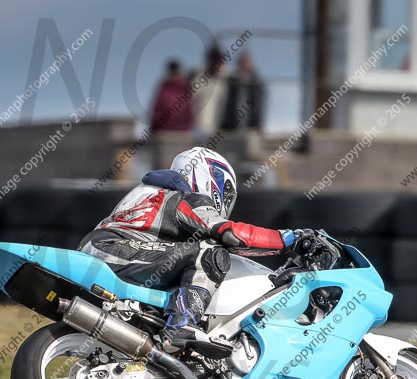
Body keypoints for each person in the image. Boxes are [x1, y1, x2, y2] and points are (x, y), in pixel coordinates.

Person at [78, 147, 312, 351]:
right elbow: (231, 234)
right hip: (112, 249)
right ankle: (182, 323)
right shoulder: (181, 196)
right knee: (210, 251)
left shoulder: (155, 192)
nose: (225, 199)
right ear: (210, 175)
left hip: (108, 249)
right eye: (225, 190)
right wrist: (291, 239)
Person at [221, 53, 265, 131]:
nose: (243, 65)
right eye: (241, 63)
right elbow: (224, 103)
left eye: (246, 62)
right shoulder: (230, 82)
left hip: (251, 128)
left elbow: (259, 105)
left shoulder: (257, 84)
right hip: (230, 128)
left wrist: (256, 124)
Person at [150, 59, 193, 132]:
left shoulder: (165, 87)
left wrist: (154, 128)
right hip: (182, 132)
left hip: (165, 131)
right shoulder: (185, 87)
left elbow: (157, 109)